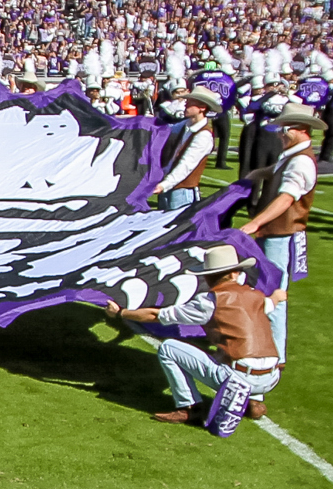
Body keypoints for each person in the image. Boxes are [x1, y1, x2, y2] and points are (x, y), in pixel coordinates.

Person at [105, 243, 280, 436]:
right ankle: (254, 401)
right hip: (271, 377)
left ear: (207, 275)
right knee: (235, 349)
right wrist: (279, 295)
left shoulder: (208, 302)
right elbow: (273, 302)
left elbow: (156, 315)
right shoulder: (257, 296)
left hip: (239, 375)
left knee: (169, 348)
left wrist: (121, 312)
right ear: (234, 274)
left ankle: (189, 408)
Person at [235, 101, 320, 360]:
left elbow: (286, 199)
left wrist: (255, 223)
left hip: (282, 236)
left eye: (286, 129)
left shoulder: (302, 162)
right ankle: (262, 344)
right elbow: (273, 171)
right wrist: (253, 176)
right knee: (261, 287)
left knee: (274, 293)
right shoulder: (292, 156)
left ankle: (276, 354)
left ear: (301, 129)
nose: (281, 135)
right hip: (274, 234)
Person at [152, 86, 220, 210]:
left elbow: (186, 165)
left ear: (202, 108)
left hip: (182, 192)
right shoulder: (185, 125)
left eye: (190, 103)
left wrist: (164, 185)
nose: (185, 105)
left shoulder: (204, 136)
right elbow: (161, 129)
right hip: (169, 187)